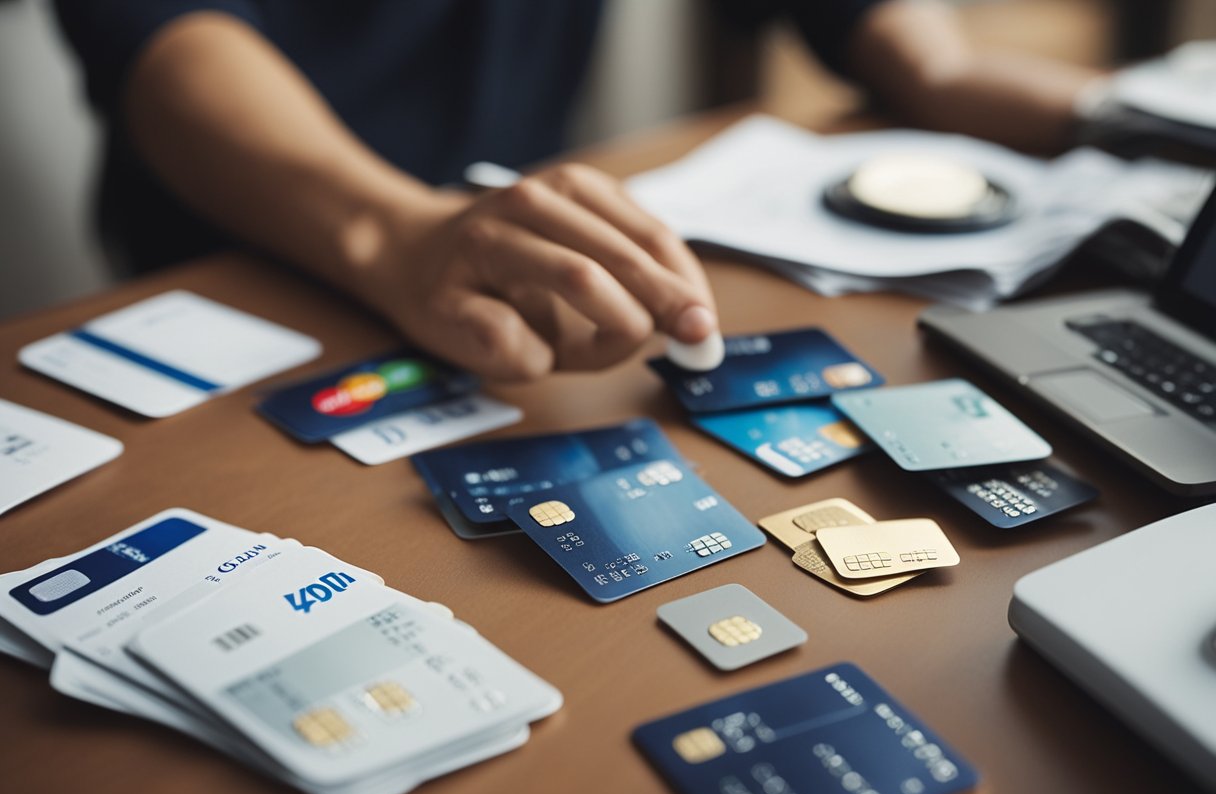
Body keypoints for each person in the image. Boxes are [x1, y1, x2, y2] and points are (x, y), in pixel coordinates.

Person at [53, 0, 1097, 381]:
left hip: (514, 278)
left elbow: (898, 38)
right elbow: (164, 38)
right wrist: (399, 234)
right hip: (244, 270)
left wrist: (1125, 112)